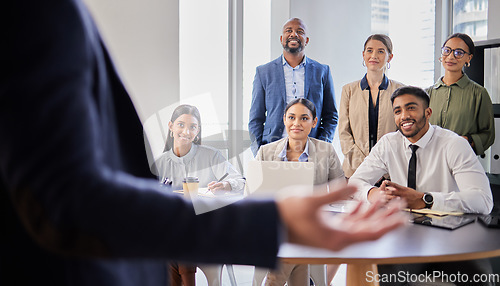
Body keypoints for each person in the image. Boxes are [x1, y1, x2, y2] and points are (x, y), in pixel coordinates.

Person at [0, 1, 407, 286]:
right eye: (180, 125)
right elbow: (67, 199)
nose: (186, 131)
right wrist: (269, 221)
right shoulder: (38, 13)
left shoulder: (316, 104)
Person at [350, 86, 493, 214]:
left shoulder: (454, 144)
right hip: (400, 226)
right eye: (398, 111)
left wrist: (425, 200)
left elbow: (483, 200)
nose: (404, 116)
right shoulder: (388, 143)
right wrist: (372, 193)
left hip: (445, 230)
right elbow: (355, 182)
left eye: (411, 108)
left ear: (428, 112)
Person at [152, 104, 245, 286]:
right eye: (180, 125)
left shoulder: (211, 156)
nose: (186, 131)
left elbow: (241, 182)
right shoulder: (160, 163)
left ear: (198, 131)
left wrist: (225, 185)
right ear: (171, 126)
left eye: (192, 127)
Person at [256, 98, 344, 286]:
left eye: (304, 118)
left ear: (314, 122)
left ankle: (274, 281)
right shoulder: (265, 152)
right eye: (291, 117)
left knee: (292, 248)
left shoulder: (326, 151)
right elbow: (253, 192)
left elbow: (340, 188)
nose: (296, 123)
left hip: (311, 224)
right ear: (284, 120)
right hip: (275, 223)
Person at [248, 17, 337, 156]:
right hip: (273, 149)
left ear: (306, 40)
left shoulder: (322, 71)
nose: (293, 34)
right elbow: (255, 119)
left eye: (299, 31)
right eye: (288, 30)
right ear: (281, 38)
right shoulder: (263, 72)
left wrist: (321, 147)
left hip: (311, 150)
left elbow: (331, 116)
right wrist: (259, 151)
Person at [339, 34, 404, 178]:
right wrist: (366, 167)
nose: (374, 55)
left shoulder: (400, 91)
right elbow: (344, 133)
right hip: (354, 172)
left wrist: (381, 167)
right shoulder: (348, 90)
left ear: (390, 57)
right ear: (363, 55)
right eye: (369, 50)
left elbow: (402, 133)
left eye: (381, 51)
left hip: (390, 173)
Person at [427, 33, 495, 156]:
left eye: (459, 52)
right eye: (447, 51)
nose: (451, 56)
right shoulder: (427, 93)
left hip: (461, 160)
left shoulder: (479, 94)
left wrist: (467, 140)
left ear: (468, 58)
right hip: (429, 160)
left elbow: (488, 134)